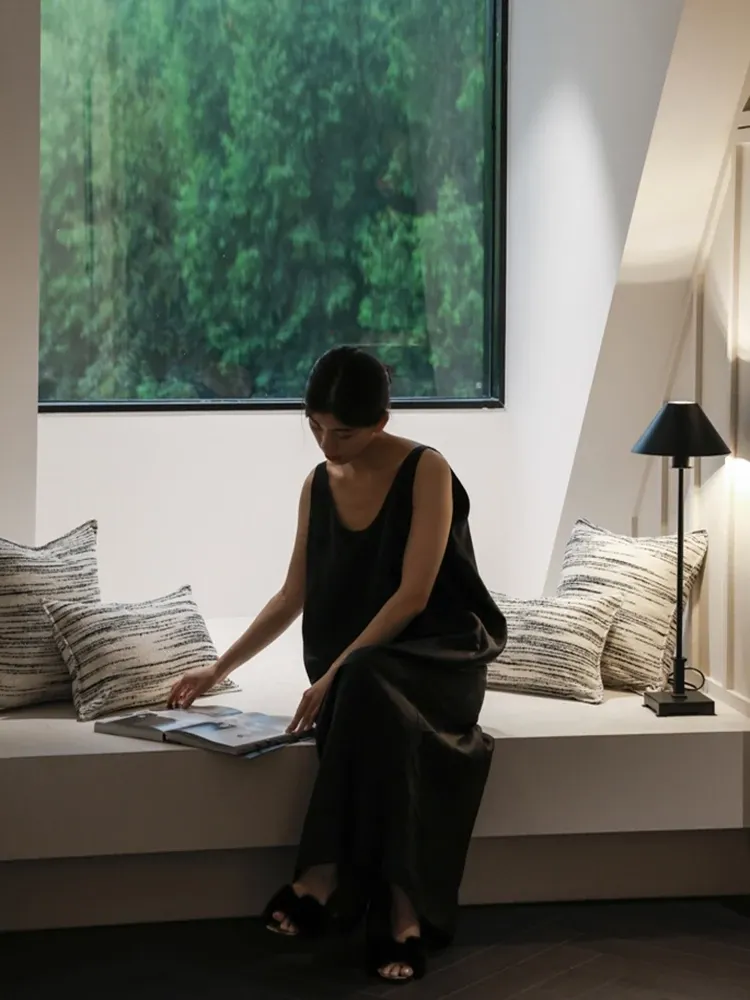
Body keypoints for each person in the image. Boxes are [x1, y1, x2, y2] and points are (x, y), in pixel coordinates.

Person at [169, 346, 507, 983]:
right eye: (315, 426)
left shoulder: (426, 469)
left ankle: (324, 878)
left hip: (437, 659)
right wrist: (217, 669)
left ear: (381, 421)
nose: (327, 444)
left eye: (343, 432)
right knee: (370, 699)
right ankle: (401, 912)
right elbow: (291, 594)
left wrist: (333, 675)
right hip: (359, 671)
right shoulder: (318, 485)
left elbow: (413, 596)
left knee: (365, 685)